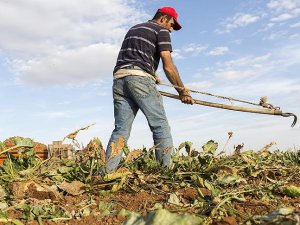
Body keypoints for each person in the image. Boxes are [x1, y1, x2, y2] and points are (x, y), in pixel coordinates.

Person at [103, 6, 194, 173]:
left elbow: (135, 57)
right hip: (139, 79)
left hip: (120, 79)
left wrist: (153, 75)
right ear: (164, 18)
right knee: (160, 126)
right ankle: (165, 173)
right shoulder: (161, 30)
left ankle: (106, 174)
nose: (171, 30)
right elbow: (169, 65)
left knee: (120, 131)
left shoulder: (134, 28)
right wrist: (182, 91)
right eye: (172, 24)